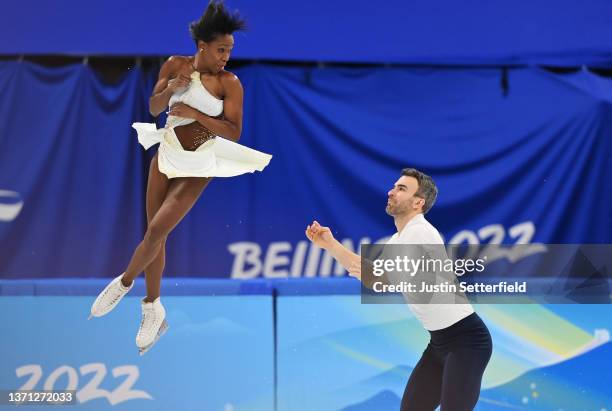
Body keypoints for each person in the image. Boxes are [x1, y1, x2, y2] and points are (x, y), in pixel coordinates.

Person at [89, 0, 272, 355]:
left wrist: (193, 113)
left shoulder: (229, 83)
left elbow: (233, 132)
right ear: (202, 45)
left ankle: (124, 284)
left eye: (230, 50)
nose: (226, 57)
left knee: (158, 231)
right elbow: (154, 108)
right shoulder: (175, 64)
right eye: (221, 49)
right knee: (153, 236)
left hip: (199, 161)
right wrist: (172, 88)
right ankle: (153, 308)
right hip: (167, 153)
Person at [305, 168, 492, 411]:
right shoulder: (398, 239)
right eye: (394, 186)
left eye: (401, 188)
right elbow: (375, 280)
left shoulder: (420, 232)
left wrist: (332, 245)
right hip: (440, 343)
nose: (391, 192)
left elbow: (381, 275)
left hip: (468, 341)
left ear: (418, 202)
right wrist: (329, 245)